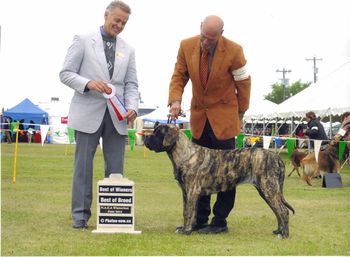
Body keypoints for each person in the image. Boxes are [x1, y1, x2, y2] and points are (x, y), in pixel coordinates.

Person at [59, 0, 139, 229]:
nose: (120, 25)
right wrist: (89, 83)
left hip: (117, 116)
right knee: (83, 167)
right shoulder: (83, 40)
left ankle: (114, 216)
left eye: (124, 23)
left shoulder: (128, 49)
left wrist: (132, 106)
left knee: (116, 169)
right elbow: (65, 73)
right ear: (106, 16)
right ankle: (80, 216)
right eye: (117, 20)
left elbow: (132, 84)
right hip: (87, 113)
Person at [168, 15, 251, 234]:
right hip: (199, 120)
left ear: (221, 34)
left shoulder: (235, 51)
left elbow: (243, 84)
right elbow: (179, 75)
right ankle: (199, 219)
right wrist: (175, 100)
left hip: (224, 119)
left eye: (211, 39)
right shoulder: (186, 46)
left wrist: (240, 113)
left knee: (228, 172)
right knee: (198, 172)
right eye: (204, 36)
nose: (206, 42)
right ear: (200, 29)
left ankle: (220, 221)